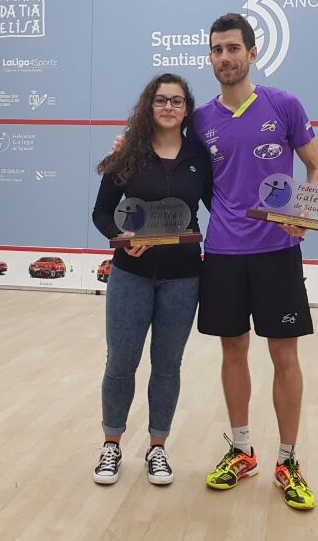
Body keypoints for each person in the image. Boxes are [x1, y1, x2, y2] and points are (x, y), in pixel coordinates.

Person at [193, 13, 318, 510]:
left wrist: (304, 216)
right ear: (210, 58)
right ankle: (243, 450)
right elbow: (178, 169)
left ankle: (288, 460)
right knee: (232, 354)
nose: (225, 57)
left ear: (252, 53)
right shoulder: (200, 119)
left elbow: (317, 166)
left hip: (277, 254)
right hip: (224, 254)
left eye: (233, 48)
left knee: (285, 358)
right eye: (216, 49)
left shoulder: (283, 105)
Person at [91, 72, 211, 486]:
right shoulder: (128, 153)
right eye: (161, 100)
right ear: (149, 105)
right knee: (121, 363)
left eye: (177, 102)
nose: (168, 108)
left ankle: (157, 449)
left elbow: (221, 205)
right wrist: (120, 239)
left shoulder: (200, 156)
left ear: (187, 110)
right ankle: (111, 446)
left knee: (167, 366)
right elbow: (102, 212)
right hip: (131, 276)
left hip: (183, 278)